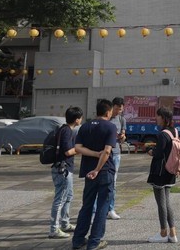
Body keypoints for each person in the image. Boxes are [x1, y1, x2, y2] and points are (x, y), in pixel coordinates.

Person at [72, 99, 118, 250]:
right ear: (108, 112)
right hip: (104, 172)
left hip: (87, 171)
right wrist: (98, 168)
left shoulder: (85, 126)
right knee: (102, 207)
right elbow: (106, 151)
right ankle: (94, 242)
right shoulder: (110, 127)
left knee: (87, 205)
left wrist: (92, 154)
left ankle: (78, 240)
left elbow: (78, 148)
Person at [48, 106, 83, 239]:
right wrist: (80, 149)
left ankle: (65, 223)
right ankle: (54, 229)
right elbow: (68, 151)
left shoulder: (63, 129)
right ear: (77, 119)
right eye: (80, 117)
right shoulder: (67, 131)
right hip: (62, 170)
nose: (81, 120)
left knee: (68, 196)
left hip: (64, 168)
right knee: (60, 200)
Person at [146, 106, 178, 244]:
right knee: (167, 202)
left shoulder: (162, 134)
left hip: (159, 172)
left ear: (164, 118)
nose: (156, 118)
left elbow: (158, 154)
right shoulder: (174, 132)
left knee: (161, 203)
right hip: (171, 171)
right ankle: (173, 233)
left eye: (158, 116)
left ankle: (163, 232)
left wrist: (150, 151)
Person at [107, 97, 126, 220]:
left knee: (113, 183)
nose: (119, 111)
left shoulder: (122, 119)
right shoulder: (106, 118)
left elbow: (123, 136)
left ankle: (111, 209)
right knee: (102, 182)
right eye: (117, 109)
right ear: (112, 107)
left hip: (116, 153)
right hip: (105, 153)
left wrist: (122, 137)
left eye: (121, 109)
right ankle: (96, 211)